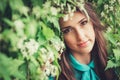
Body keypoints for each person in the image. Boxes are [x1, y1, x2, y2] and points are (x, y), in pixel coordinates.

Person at [50, 1, 118, 80]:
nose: (80, 37)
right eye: (67, 30)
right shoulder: (53, 74)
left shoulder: (113, 60)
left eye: (83, 23)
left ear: (93, 22)